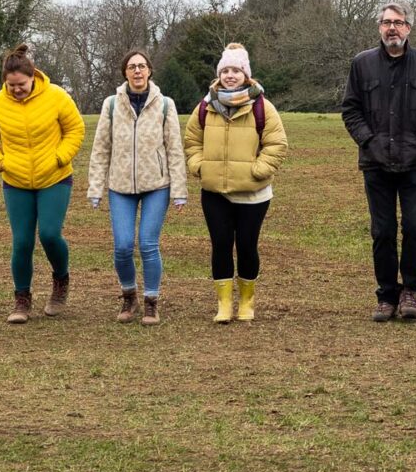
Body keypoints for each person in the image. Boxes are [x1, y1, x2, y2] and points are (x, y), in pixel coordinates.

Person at [342, 0, 416, 322]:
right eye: (387, 22)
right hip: (376, 163)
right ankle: (386, 295)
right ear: (379, 26)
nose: (392, 28)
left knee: (415, 228)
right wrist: (369, 141)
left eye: (399, 22)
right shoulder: (362, 64)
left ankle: (410, 291)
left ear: (409, 28)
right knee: (383, 231)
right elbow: (351, 109)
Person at [0, 43, 86, 324]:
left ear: (32, 77)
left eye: (21, 84)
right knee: (22, 242)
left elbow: (75, 129)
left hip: (55, 178)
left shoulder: (56, 96)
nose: (16, 89)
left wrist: (61, 157)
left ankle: (61, 281)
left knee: (50, 234)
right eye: (11, 85)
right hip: (15, 181)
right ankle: (22, 299)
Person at [183, 42, 288, 324]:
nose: (230, 75)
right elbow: (192, 141)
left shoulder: (262, 107)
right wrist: (199, 166)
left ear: (246, 74)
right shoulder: (205, 106)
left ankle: (246, 302)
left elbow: (277, 144)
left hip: (253, 193)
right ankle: (224, 304)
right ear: (219, 74)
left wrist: (258, 170)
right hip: (214, 191)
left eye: (236, 70)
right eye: (225, 70)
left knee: (246, 245)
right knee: (220, 244)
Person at [86, 50, 190, 325]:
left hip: (157, 184)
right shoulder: (111, 104)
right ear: (125, 73)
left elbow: (175, 150)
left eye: (142, 66)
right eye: (132, 67)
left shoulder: (165, 104)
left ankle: (151, 302)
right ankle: (129, 295)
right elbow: (100, 149)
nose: (137, 71)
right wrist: (95, 188)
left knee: (147, 243)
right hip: (120, 186)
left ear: (150, 71)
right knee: (122, 246)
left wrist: (179, 191)